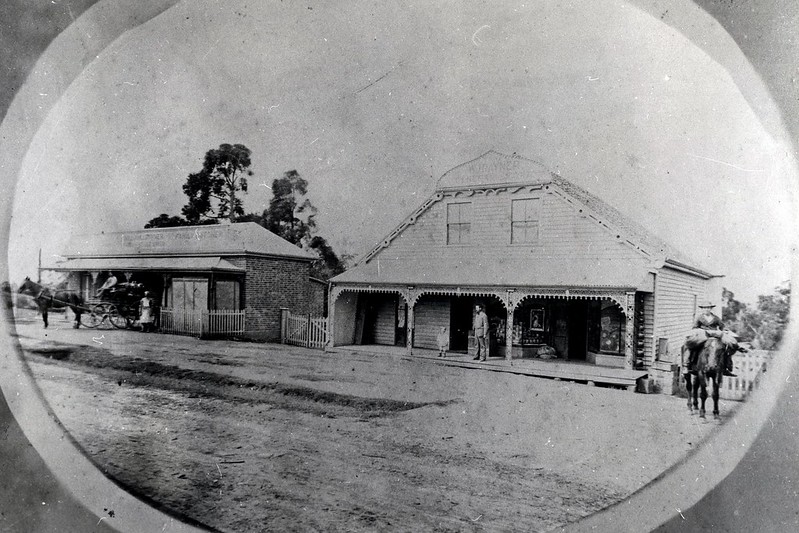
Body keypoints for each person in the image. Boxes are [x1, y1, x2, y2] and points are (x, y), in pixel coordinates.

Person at [686, 300, 736, 377]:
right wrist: (700, 331)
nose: (706, 309)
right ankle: (689, 363)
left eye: (708, 308)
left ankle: (727, 366)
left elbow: (722, 326)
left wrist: (724, 330)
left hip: (714, 335)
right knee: (692, 346)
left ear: (711, 309)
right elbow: (695, 327)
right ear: (702, 309)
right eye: (704, 308)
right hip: (703, 335)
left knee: (726, 346)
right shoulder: (699, 318)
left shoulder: (715, 318)